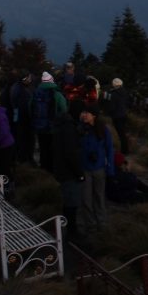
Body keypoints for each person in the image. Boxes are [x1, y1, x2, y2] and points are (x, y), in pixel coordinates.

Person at [79, 105, 114, 232]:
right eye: (83, 112)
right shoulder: (80, 129)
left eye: (86, 113)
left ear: (93, 115)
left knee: (99, 196)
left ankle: (102, 222)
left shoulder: (103, 130)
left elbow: (109, 149)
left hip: (99, 167)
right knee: (86, 198)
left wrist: (110, 168)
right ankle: (90, 224)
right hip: (85, 168)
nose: (84, 115)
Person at [54, 98, 85, 240]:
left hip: (61, 170)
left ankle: (69, 228)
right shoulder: (69, 128)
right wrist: (79, 173)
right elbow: (71, 153)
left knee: (68, 200)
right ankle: (71, 231)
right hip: (69, 172)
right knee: (72, 202)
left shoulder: (62, 124)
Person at [32, 72, 67, 171]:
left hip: (40, 127)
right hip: (53, 127)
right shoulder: (57, 94)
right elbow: (64, 109)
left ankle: (44, 168)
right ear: (52, 81)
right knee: (53, 148)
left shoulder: (36, 93)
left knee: (43, 148)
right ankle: (52, 169)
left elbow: (30, 108)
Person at [9, 70, 35, 164]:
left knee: (23, 137)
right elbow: (18, 104)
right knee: (24, 138)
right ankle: (24, 158)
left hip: (21, 117)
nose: (30, 79)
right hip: (23, 117)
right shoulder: (19, 89)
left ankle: (24, 157)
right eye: (28, 78)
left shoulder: (17, 87)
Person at [103, 77, 131, 153]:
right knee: (123, 133)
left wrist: (107, 112)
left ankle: (124, 150)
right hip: (124, 114)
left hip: (117, 116)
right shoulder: (125, 92)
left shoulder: (113, 94)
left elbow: (112, 107)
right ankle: (125, 149)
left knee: (120, 134)